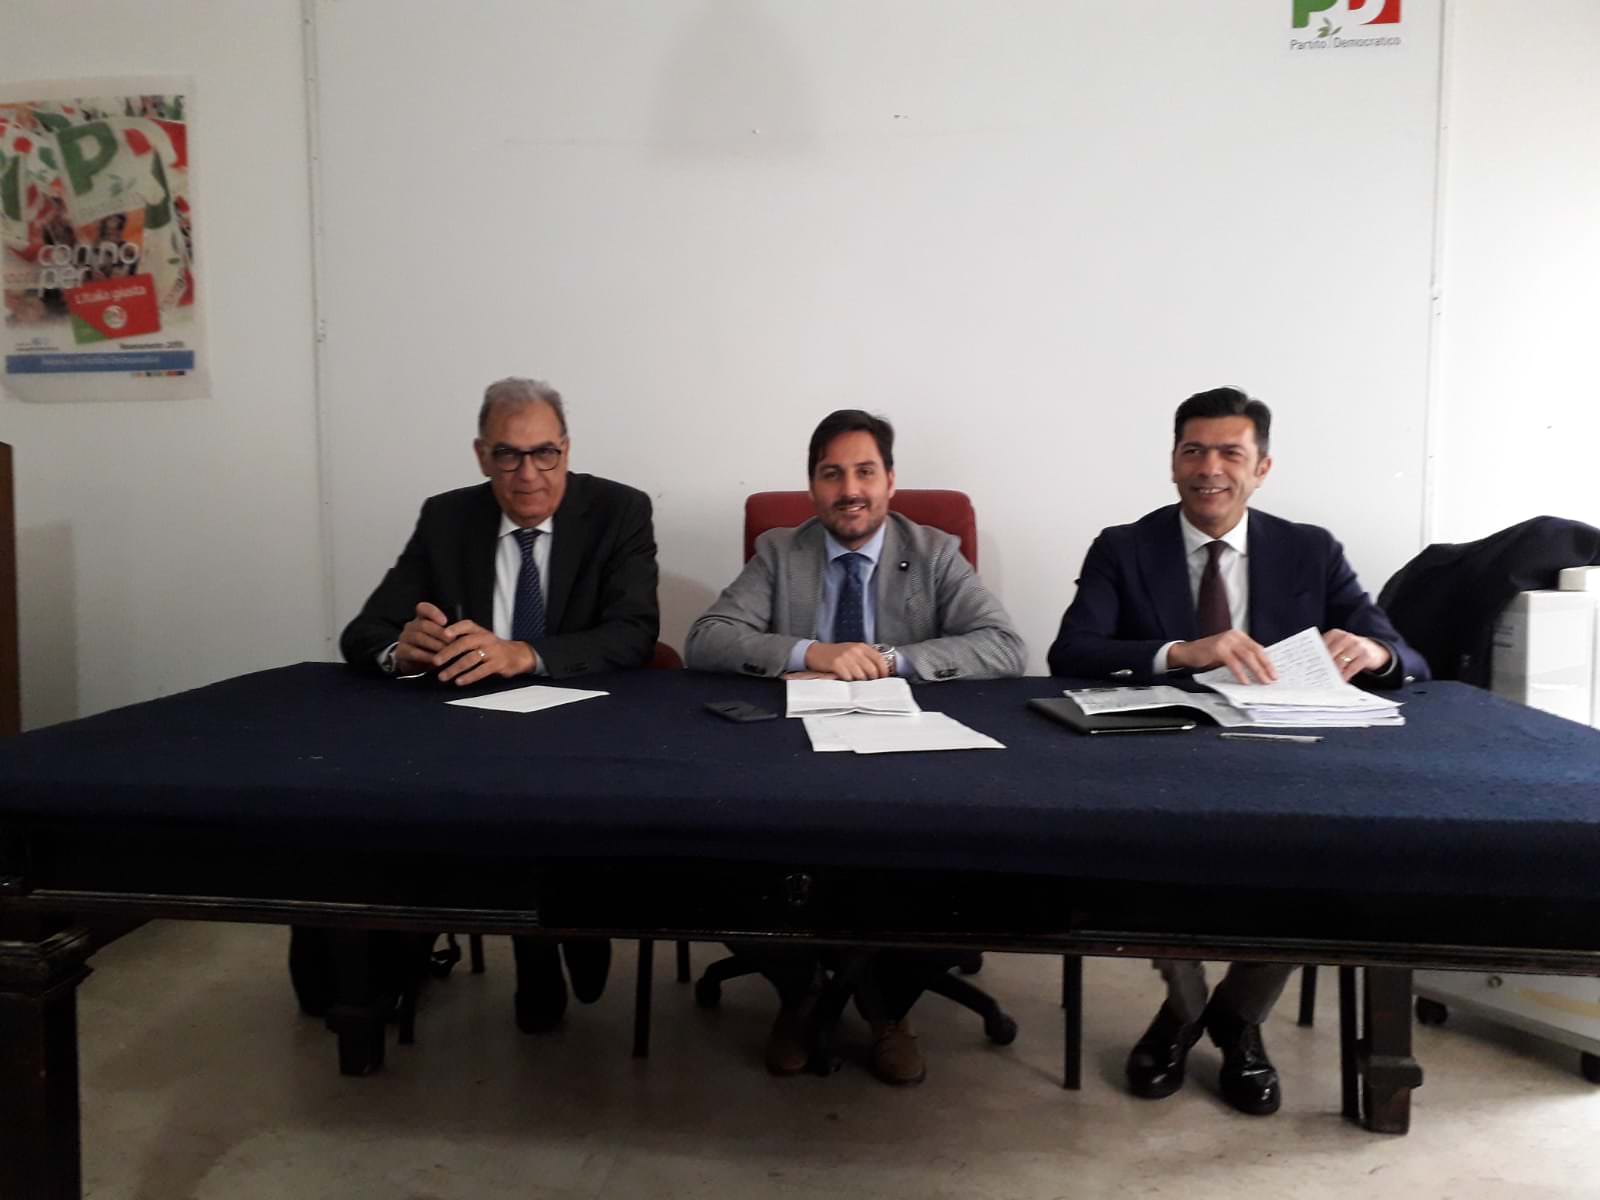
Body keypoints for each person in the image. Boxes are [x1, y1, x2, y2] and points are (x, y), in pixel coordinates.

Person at [1047, 385, 1428, 1116]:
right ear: (1173, 463)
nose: (1210, 468)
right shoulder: (1124, 547)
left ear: (1262, 468)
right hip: (1162, 759)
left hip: (1287, 757)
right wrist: (1181, 651)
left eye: (1230, 453)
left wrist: (1373, 651)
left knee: (1327, 852)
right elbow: (1071, 652)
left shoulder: (1309, 550)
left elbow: (1406, 656)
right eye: (1194, 451)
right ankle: (1188, 1011)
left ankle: (1237, 1015)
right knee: (1146, 855)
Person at [686, 408, 1026, 1084]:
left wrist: (893, 659)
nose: (850, 490)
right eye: (832, 474)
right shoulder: (781, 552)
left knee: (969, 857)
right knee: (716, 845)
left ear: (890, 481)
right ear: (812, 486)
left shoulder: (934, 552)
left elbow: (1004, 646)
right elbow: (706, 637)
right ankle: (800, 992)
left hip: (910, 756)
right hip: (796, 757)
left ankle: (886, 1006)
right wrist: (812, 651)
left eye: (865, 472)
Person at [314, 376, 660, 1033]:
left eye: (544, 454)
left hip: (584, 727)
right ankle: (529, 955)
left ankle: (579, 926)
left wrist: (524, 654)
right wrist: (400, 650)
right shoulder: (447, 518)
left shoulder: (618, 511)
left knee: (558, 806)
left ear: (566, 449)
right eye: (508, 455)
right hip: (472, 734)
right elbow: (364, 632)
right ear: (482, 456)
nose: (528, 475)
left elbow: (634, 632)